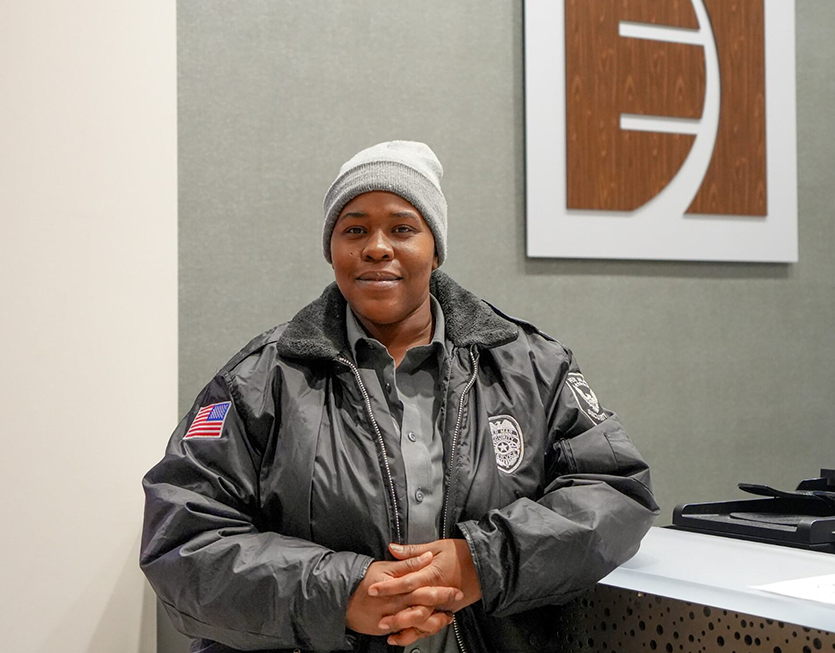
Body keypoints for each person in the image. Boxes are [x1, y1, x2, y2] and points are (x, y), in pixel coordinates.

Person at [141, 141, 658, 653]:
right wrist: (341, 594)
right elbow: (182, 543)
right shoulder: (259, 379)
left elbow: (616, 492)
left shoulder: (529, 365)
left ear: (435, 248)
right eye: (355, 229)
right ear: (332, 249)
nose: (377, 247)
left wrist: (484, 561)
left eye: (403, 228)